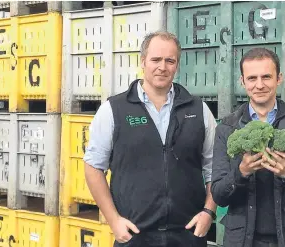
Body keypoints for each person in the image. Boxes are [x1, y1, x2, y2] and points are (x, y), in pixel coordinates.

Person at [83, 31, 218, 247]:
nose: (162, 67)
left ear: (177, 64)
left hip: (188, 235)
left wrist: (208, 212)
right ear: (143, 60)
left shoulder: (199, 110)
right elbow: (93, 167)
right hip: (135, 235)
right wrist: (113, 220)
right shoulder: (113, 109)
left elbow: (215, 168)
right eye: (156, 59)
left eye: (169, 61)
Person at [211, 48, 285, 247]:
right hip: (242, 240)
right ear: (242, 81)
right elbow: (219, 194)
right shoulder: (227, 128)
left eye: (266, 77)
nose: (259, 85)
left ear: (278, 78)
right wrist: (241, 173)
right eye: (252, 78)